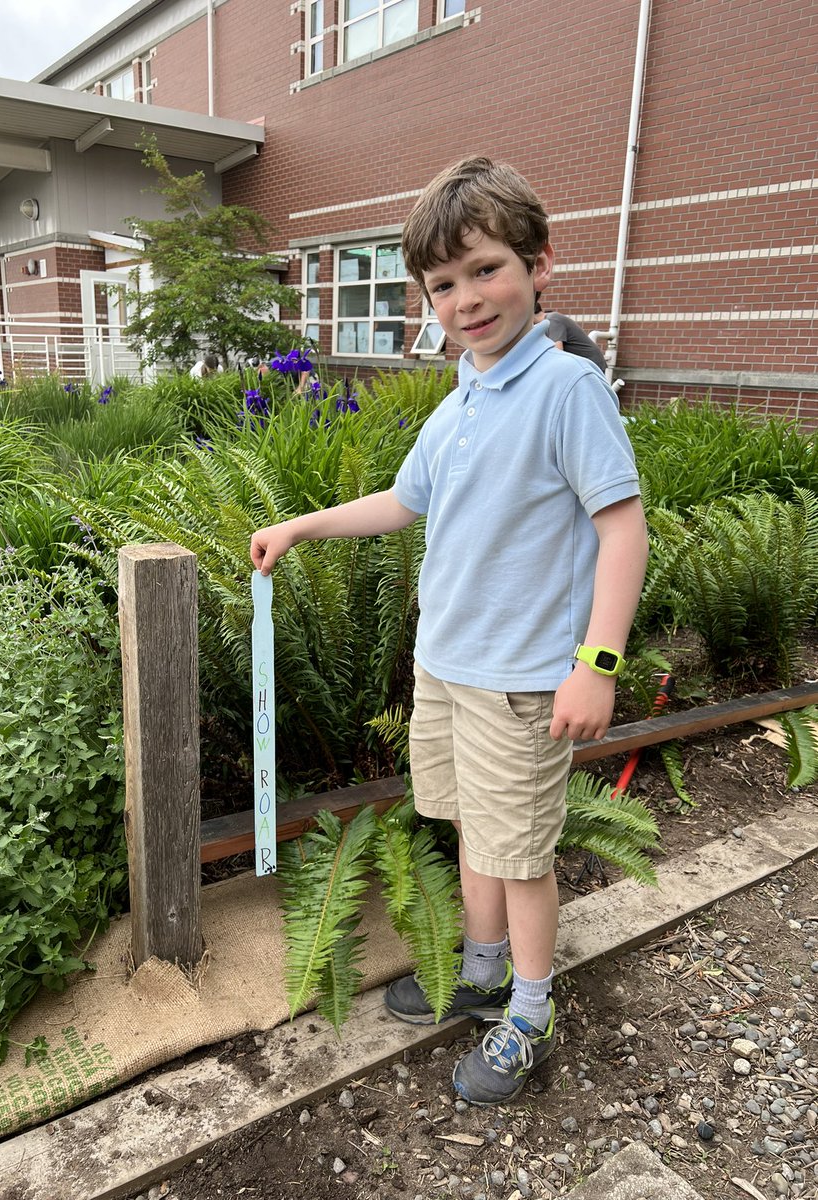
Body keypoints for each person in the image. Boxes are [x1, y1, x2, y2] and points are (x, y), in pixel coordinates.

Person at [250, 157, 649, 1106]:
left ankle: (531, 1012)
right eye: (443, 284)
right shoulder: (460, 402)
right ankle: (482, 970)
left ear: (540, 264)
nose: (466, 300)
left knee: (522, 854)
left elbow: (623, 527)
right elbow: (403, 500)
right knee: (473, 830)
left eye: (485, 270)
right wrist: (303, 524)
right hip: (447, 670)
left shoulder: (566, 389)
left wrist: (596, 664)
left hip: (522, 682)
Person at [534, 300, 608, 371]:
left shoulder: (553, 320)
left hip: (591, 364)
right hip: (582, 365)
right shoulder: (546, 324)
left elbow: (557, 352)